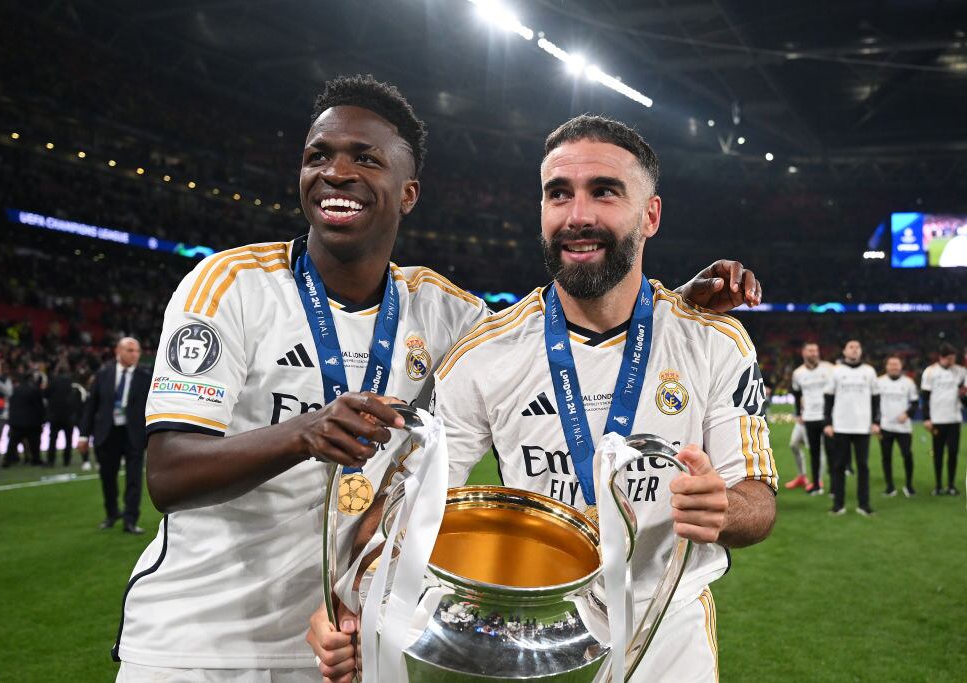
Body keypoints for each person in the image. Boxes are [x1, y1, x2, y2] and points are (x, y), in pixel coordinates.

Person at [111, 77, 762, 683]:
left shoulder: (448, 314)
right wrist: (304, 432)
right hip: (204, 634)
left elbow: (593, 333)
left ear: (408, 191)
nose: (337, 172)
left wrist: (673, 310)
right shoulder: (233, 286)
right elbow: (167, 474)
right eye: (318, 156)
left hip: (348, 634)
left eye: (365, 158)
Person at [312, 113, 775, 683]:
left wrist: (723, 507)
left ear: (650, 214)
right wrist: (350, 605)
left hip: (666, 625)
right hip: (532, 632)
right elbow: (406, 505)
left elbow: (759, 499)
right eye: (559, 194)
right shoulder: (486, 353)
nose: (577, 216)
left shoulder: (715, 341)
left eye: (604, 192)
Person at [78, 337, 152, 533]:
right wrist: (83, 435)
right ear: (118, 351)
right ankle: (112, 513)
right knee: (107, 477)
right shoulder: (103, 375)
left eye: (137, 351)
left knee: (134, 478)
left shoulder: (147, 375)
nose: (135, 354)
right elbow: (91, 406)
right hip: (108, 432)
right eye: (130, 350)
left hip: (134, 434)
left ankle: (130, 519)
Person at [823, 340, 880, 516]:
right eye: (851, 347)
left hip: (863, 427)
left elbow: (876, 399)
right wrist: (828, 422)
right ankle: (838, 505)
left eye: (857, 347)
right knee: (838, 466)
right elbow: (828, 398)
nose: (855, 350)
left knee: (863, 466)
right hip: (841, 426)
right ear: (844, 351)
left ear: (861, 351)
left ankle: (864, 505)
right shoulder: (836, 371)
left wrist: (876, 421)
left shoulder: (869, 371)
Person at [920, 343, 965, 496]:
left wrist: (963, 395)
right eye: (949, 359)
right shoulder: (930, 372)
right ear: (941, 357)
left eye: (953, 358)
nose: (951, 362)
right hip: (937, 419)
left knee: (953, 452)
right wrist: (926, 418)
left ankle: (951, 485)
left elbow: (964, 397)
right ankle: (938, 485)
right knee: (938, 453)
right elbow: (924, 398)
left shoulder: (961, 372)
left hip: (954, 419)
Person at [790, 342, 834, 496]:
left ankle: (834, 486)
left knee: (830, 451)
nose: (814, 353)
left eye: (816, 350)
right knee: (814, 452)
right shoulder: (798, 373)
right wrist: (799, 414)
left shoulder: (829, 369)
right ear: (804, 353)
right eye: (810, 351)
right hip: (809, 417)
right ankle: (816, 484)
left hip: (827, 417)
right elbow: (796, 394)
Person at [877, 355, 918, 497]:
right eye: (891, 364)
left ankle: (909, 485)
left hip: (904, 427)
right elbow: (874, 403)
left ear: (901, 366)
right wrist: (876, 422)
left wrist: (907, 414)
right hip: (885, 426)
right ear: (886, 366)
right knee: (886, 457)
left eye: (896, 364)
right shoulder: (879, 382)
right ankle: (890, 486)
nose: (894, 367)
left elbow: (915, 403)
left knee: (907, 455)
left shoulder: (908, 382)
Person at [45, 360, 86, 468]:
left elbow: (45, 395)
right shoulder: (72, 382)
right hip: (69, 415)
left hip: (55, 415)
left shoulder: (53, 381)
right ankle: (66, 460)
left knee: (52, 439)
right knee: (68, 439)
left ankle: (51, 461)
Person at [5, 372, 46, 467]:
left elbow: (12, 405)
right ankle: (36, 459)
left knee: (12, 443)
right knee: (34, 443)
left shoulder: (16, 389)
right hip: (31, 422)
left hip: (17, 421)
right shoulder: (35, 390)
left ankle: (7, 461)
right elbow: (39, 407)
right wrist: (42, 420)